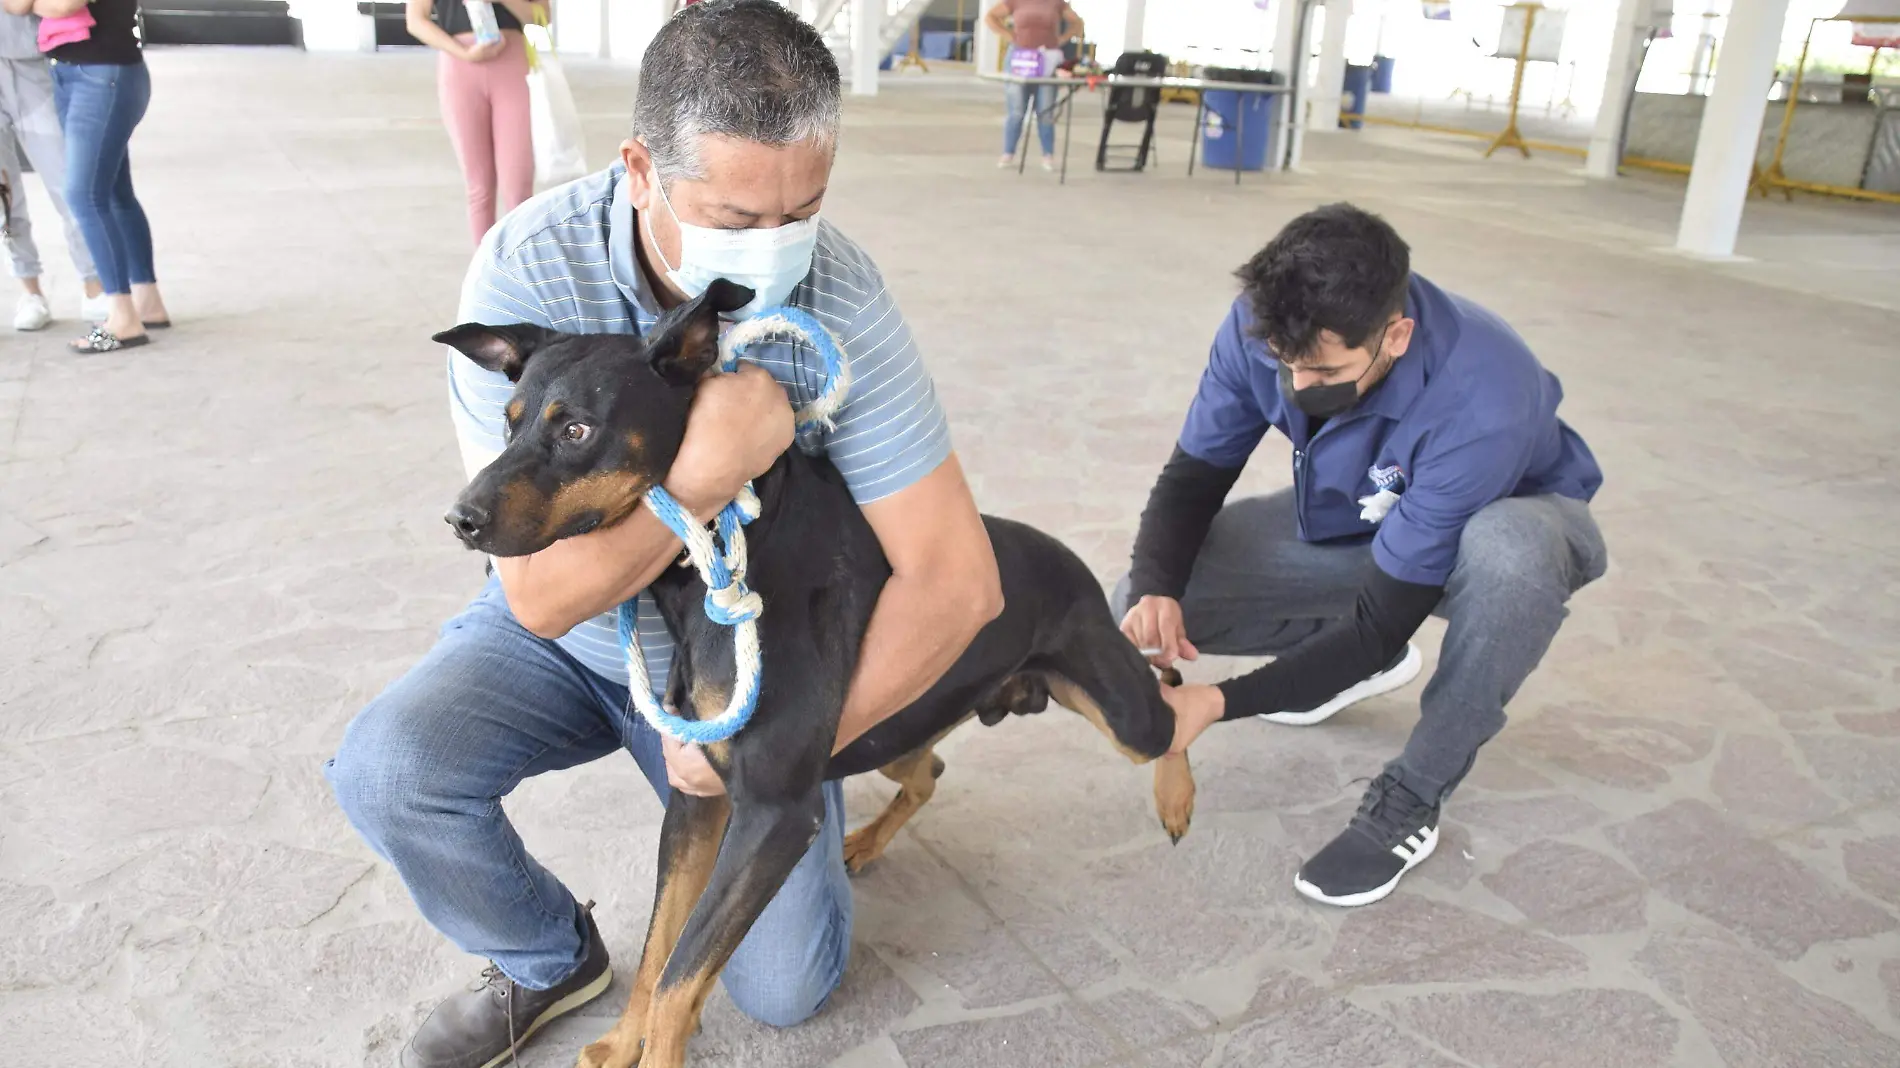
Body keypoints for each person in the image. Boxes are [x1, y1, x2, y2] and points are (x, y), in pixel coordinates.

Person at [325, 3, 1003, 1065]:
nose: (771, 246)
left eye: (805, 207)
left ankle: (766, 789)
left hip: (749, 658)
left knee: (788, 988)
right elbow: (542, 599)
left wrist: (772, 748)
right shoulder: (529, 270)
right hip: (579, 634)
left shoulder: (846, 295)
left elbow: (958, 582)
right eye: (734, 217)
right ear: (641, 167)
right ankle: (550, 957)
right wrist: (706, 467)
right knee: (388, 769)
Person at [1117, 203, 1606, 908]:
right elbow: (1194, 474)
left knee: (1508, 560)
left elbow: (1385, 618)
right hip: (1374, 516)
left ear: (1396, 335)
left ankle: (1411, 798)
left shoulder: (1484, 393)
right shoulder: (1265, 324)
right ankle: (1339, 666)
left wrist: (1220, 702)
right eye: (1284, 366)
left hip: (1509, 516)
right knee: (1129, 600)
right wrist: (1158, 587)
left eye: (1324, 370)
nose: (1299, 388)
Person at [0, 0, 171, 352]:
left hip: (101, 74)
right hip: (80, 70)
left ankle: (122, 319)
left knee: (83, 195)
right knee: (115, 193)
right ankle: (147, 303)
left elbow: (59, 6)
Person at [0, 9, 108, 331]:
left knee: (69, 182)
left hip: (35, 62)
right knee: (3, 197)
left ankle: (94, 285)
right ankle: (29, 290)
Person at [405, 0, 544, 245]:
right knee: (479, 187)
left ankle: (521, 273)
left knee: (518, 186)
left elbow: (542, 15)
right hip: (459, 66)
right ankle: (485, 277)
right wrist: (463, 52)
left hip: (512, 65)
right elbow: (416, 20)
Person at [984, 0, 1083, 171]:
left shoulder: (1056, 3)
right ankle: (1008, 152)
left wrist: (1062, 39)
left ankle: (1048, 155)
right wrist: (1009, 35)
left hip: (1047, 57)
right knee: (1016, 110)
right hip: (1019, 57)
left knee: (1045, 110)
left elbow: (1077, 22)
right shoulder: (1014, 1)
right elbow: (991, 17)